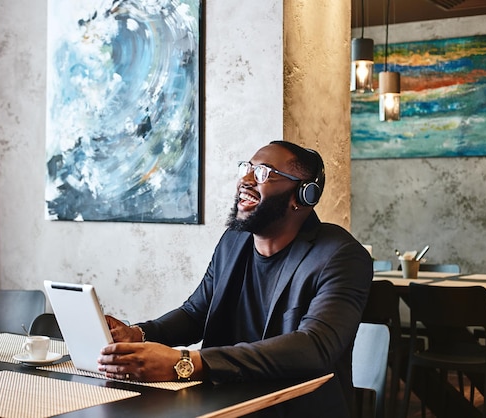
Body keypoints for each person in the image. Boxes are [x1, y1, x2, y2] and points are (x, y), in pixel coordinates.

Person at [99, 140, 373, 417]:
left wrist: (187, 362)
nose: (246, 179)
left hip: (293, 408)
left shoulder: (340, 256)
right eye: (246, 168)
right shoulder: (234, 242)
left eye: (263, 173)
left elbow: (314, 346)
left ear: (302, 196)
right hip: (223, 403)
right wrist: (139, 334)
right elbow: (196, 313)